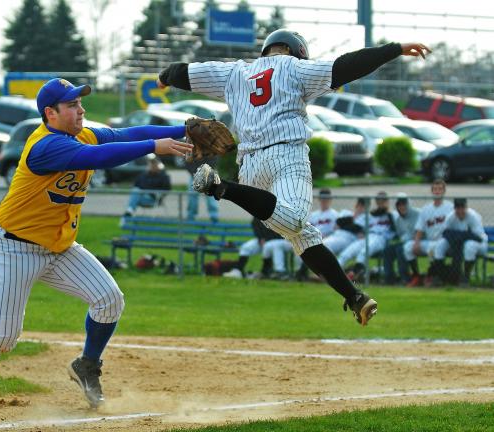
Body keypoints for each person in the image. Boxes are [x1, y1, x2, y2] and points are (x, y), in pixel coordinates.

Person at [158, 29, 430, 325]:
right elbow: (345, 66)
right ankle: (222, 187)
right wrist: (395, 49)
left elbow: (181, 73)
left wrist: (163, 78)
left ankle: (354, 297)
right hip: (286, 156)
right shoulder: (295, 67)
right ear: (297, 50)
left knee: (303, 235)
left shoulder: (235, 72)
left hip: (250, 167)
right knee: (296, 220)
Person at [0, 78, 192, 408]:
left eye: (79, 102)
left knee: (109, 300)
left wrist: (183, 128)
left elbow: (122, 135)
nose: (81, 109)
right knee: (3, 338)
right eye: (72, 105)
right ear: (51, 113)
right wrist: (153, 147)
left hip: (58, 247)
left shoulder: (81, 132)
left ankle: (87, 365)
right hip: (12, 248)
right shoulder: (45, 146)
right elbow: (101, 156)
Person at [404, 179, 453, 287]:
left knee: (435, 248)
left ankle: (432, 276)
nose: (437, 191)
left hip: (445, 242)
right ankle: (417, 276)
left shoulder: (450, 207)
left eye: (440, 189)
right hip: (430, 241)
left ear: (444, 191)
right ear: (432, 191)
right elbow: (419, 228)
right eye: (435, 189)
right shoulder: (426, 209)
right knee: (408, 247)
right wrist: (416, 242)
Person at [338, 192, 396, 282]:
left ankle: (354, 274)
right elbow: (355, 226)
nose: (380, 202)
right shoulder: (371, 215)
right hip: (368, 236)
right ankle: (330, 274)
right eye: (378, 200)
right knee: (348, 252)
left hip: (381, 238)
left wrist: (388, 213)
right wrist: (359, 231)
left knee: (364, 252)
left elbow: (395, 228)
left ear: (387, 201)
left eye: (383, 200)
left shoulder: (392, 215)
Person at [431, 198, 487, 286]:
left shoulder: (473, 216)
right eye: (458, 208)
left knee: (469, 246)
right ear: (454, 208)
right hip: (459, 244)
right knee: (440, 245)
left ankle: (466, 277)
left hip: (480, 245)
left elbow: (478, 237)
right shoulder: (451, 217)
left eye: (462, 208)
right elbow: (444, 233)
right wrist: (460, 236)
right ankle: (439, 276)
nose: (460, 210)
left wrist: (459, 236)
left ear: (466, 207)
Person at [294, 188, 338, 280]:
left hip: (327, 239)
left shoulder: (334, 214)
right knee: (299, 246)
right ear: (319, 199)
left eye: (326, 198)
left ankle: (321, 275)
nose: (324, 201)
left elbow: (335, 231)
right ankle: (300, 272)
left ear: (330, 199)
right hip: (311, 239)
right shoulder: (313, 215)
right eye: (322, 198)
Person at [382, 193, 419, 284]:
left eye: (404, 205)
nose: (402, 207)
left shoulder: (417, 214)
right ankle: (389, 278)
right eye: (400, 205)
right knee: (387, 250)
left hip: (417, 241)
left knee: (400, 249)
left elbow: (418, 232)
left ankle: (405, 278)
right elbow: (399, 235)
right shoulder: (398, 220)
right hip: (405, 242)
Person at [122, 155, 170, 219]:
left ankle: (129, 212)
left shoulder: (163, 176)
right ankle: (129, 212)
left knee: (135, 195)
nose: (152, 165)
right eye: (150, 163)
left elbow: (167, 188)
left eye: (154, 163)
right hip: (141, 196)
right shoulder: (144, 175)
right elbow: (136, 184)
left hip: (153, 199)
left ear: (157, 165)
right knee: (136, 191)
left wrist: (159, 196)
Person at [185, 157, 219, 223]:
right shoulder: (191, 148)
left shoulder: (210, 147)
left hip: (209, 175)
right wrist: (194, 172)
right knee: (192, 198)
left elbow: (214, 159)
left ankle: (214, 217)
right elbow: (186, 161)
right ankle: (190, 217)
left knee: (211, 198)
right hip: (194, 176)